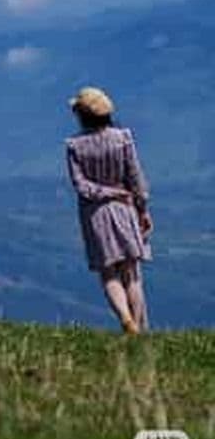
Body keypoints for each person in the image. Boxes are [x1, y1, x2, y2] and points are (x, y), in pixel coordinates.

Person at [65, 87, 153, 334]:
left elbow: (81, 185)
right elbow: (135, 177)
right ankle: (138, 329)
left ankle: (125, 319)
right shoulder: (123, 138)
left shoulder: (74, 146)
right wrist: (142, 209)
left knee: (108, 273)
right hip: (125, 207)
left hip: (95, 214)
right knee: (131, 273)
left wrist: (105, 193)